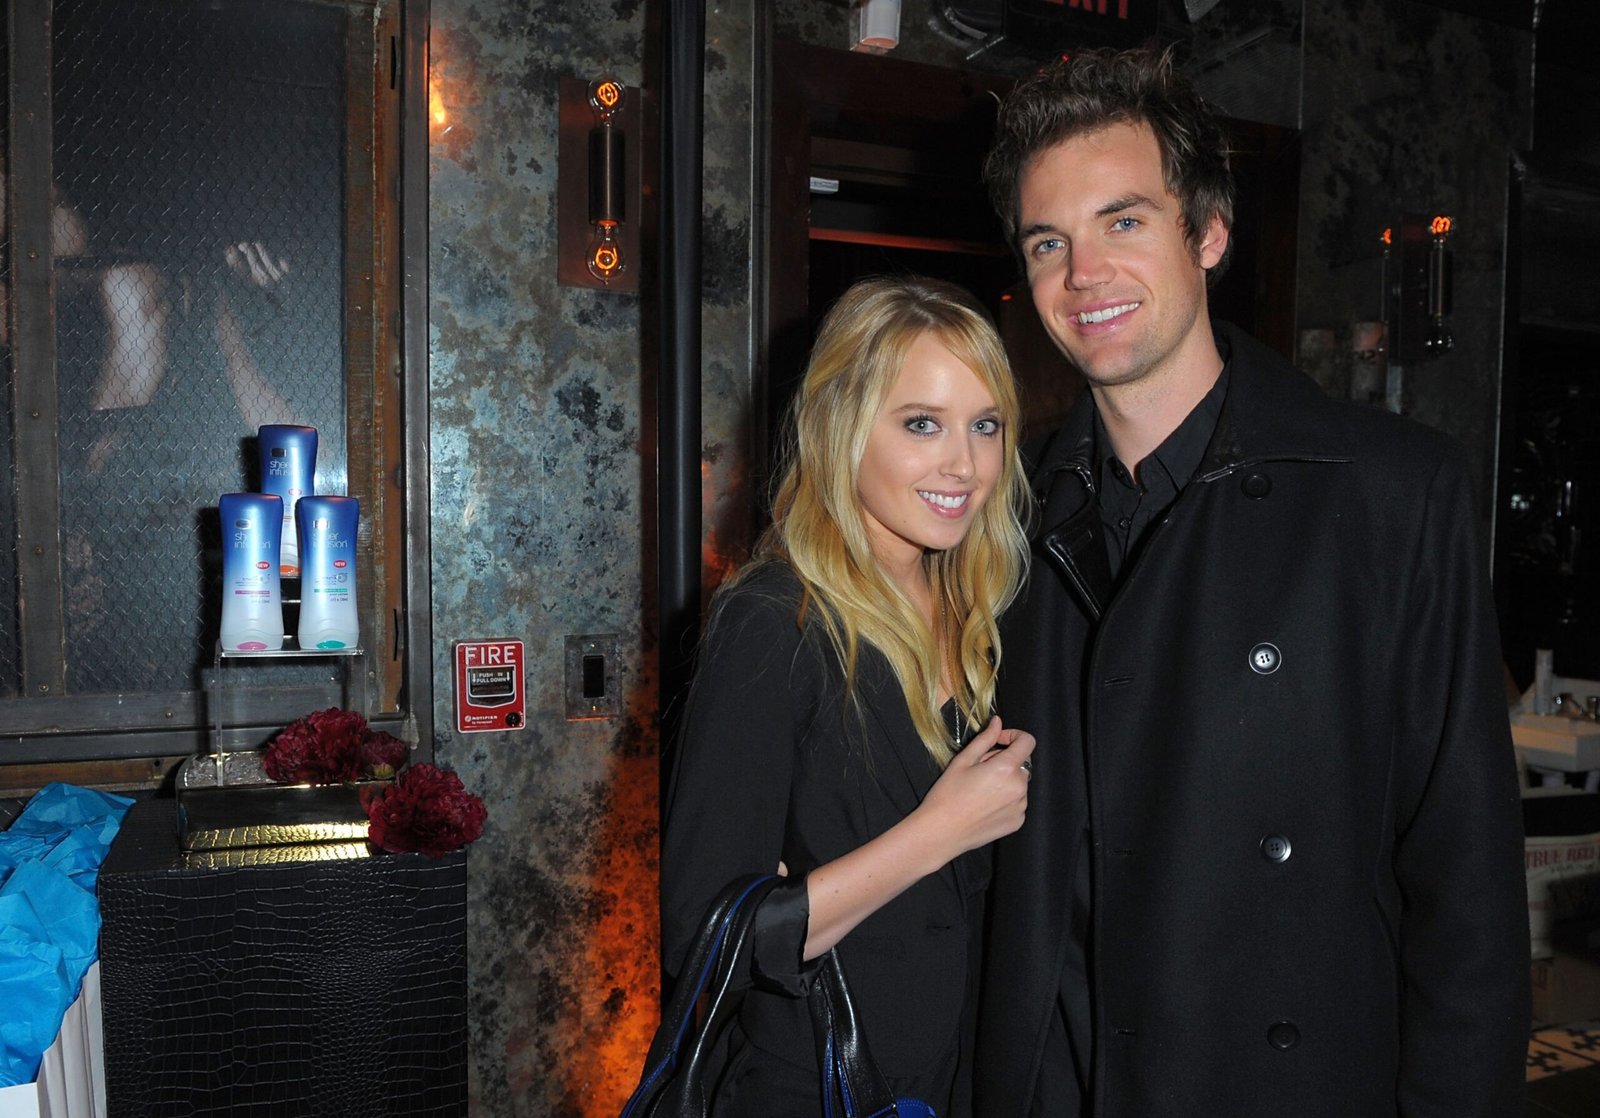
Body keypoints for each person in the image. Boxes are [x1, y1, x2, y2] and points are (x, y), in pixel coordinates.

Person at [974, 46, 1529, 1117]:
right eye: (1049, 241)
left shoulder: (1389, 493)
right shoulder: (1006, 511)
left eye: (1123, 221)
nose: (1083, 274)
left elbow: (1464, 884)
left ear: (1209, 233)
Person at [660, 275, 1036, 1114]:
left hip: (954, 1078)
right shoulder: (775, 621)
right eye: (922, 423)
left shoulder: (982, 610)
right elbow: (708, 937)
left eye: (986, 426)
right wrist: (937, 831)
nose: (965, 465)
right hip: (816, 1085)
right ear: (842, 426)